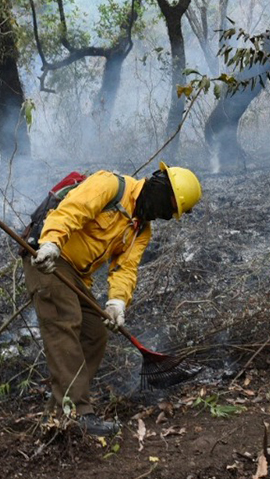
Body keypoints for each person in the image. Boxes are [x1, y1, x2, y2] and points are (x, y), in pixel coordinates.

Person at [25, 162, 202, 436]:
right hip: (49, 258)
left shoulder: (140, 230)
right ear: (159, 186)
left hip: (77, 275)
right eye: (166, 208)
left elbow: (125, 268)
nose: (163, 215)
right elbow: (72, 210)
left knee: (95, 334)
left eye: (169, 214)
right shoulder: (110, 185)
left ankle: (58, 414)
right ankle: (77, 414)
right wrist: (51, 243)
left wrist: (117, 302)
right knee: (65, 321)